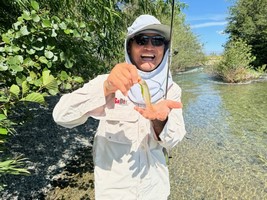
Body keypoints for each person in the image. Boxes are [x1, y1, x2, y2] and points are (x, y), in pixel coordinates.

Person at [53, 14, 186, 200]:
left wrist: (160, 121)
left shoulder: (171, 90)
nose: (149, 46)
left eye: (157, 40)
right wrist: (106, 88)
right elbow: (61, 116)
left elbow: (173, 141)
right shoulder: (108, 82)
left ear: (165, 48)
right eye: (141, 40)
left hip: (155, 192)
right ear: (129, 47)